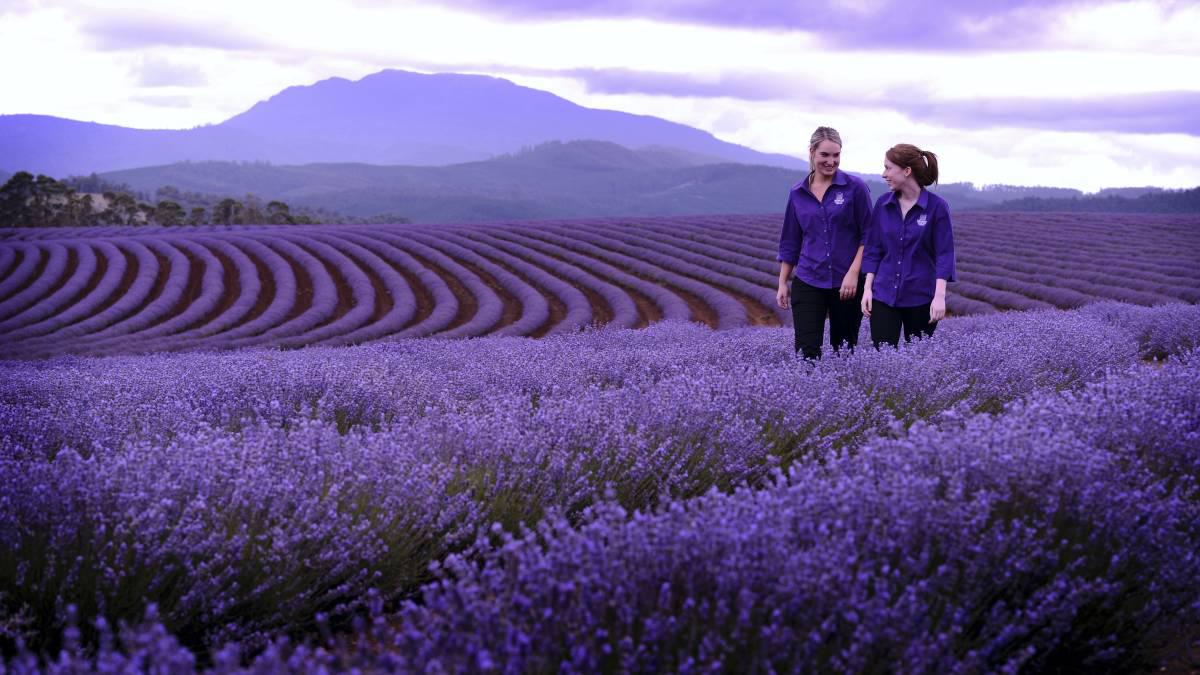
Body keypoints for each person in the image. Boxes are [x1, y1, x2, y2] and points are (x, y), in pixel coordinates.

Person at [776, 126, 873, 359]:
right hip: (809, 279)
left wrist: (853, 273)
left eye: (836, 155)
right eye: (825, 155)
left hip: (847, 284)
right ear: (812, 152)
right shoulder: (798, 193)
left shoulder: (855, 188)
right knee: (806, 352)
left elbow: (869, 235)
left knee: (844, 352)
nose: (831, 161)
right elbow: (791, 240)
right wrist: (782, 283)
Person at [860, 143, 956, 348]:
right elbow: (874, 248)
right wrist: (867, 289)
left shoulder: (937, 207)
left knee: (918, 361)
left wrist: (939, 297)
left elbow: (944, 254)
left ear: (906, 171)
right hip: (884, 294)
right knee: (884, 359)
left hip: (921, 296)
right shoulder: (883, 204)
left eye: (888, 168)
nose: (884, 174)